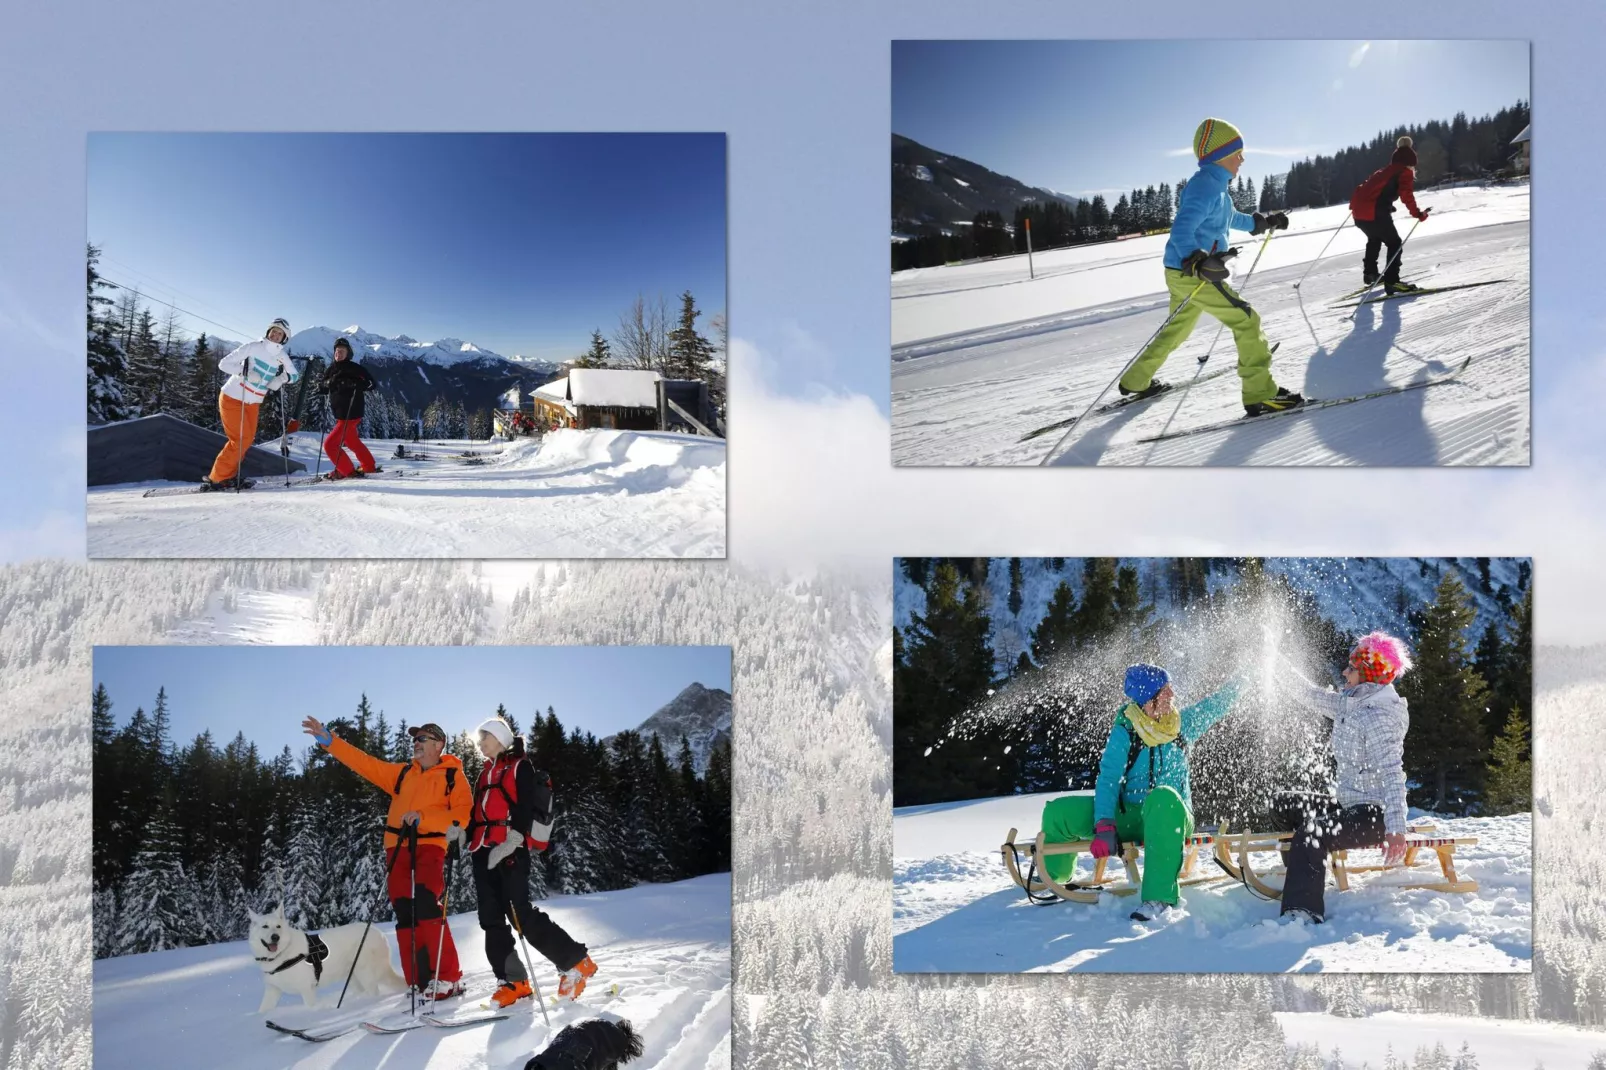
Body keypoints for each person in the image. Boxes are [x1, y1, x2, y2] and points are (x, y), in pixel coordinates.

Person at [1117, 118, 1303, 418]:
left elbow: (1232, 219)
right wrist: (1198, 260)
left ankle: (1136, 381)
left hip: (1179, 272)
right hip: (1194, 273)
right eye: (1237, 153)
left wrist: (1264, 222)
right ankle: (1260, 394)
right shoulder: (1205, 187)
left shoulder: (1216, 188)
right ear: (1220, 155)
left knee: (1176, 330)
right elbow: (1181, 229)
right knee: (1246, 320)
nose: (1242, 159)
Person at [300, 715, 471, 999]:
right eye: (414, 739)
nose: (415, 743)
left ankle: (448, 978)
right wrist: (329, 741)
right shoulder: (403, 773)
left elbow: (462, 816)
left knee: (428, 903)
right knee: (404, 909)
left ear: (439, 744)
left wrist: (424, 817)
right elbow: (365, 764)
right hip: (398, 846)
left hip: (430, 845)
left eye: (422, 738)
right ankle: (418, 981)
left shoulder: (453, 775)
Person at [1274, 632, 1412, 924]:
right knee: (1282, 804)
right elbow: (1309, 694)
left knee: (1311, 833)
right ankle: (1305, 872)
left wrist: (1396, 830)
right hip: (1349, 805)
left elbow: (1392, 773)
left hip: (1375, 815)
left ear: (1369, 676)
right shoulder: (1351, 703)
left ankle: (1303, 911)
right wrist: (1273, 657)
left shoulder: (1378, 715)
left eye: (1352, 668)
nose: (1345, 672)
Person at [1091, 664, 1244, 921]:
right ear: (1148, 700)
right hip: (1135, 816)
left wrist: (1245, 677)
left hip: (1174, 817)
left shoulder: (1181, 726)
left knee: (1162, 797)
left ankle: (1158, 897)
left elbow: (1216, 704)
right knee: (1062, 811)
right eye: (1165, 691)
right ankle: (1051, 875)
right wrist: (1104, 824)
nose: (1172, 694)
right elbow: (1108, 780)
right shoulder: (1125, 732)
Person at [468, 717, 597, 1007]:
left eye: (484, 738)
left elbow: (524, 805)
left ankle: (576, 963)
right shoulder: (483, 773)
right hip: (482, 851)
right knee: (490, 919)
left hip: (510, 847)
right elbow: (476, 813)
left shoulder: (519, 767)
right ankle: (513, 982)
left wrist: (513, 840)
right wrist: (462, 835)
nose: (479, 744)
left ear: (500, 738)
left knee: (519, 913)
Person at [204, 317, 301, 489]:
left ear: (284, 338)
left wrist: (280, 379)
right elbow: (223, 364)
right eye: (274, 331)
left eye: (280, 333)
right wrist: (245, 372)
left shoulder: (281, 356)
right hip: (233, 397)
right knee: (239, 440)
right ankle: (218, 477)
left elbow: (294, 375)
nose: (276, 335)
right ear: (268, 332)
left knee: (246, 440)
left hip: (253, 403)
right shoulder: (253, 347)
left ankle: (229, 476)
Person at [1349, 136, 1431, 295]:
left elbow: (1364, 187)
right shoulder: (1404, 171)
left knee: (1374, 238)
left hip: (1359, 213)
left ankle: (1371, 274)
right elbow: (1406, 195)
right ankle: (1392, 281)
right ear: (1411, 161)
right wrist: (1418, 214)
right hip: (1374, 212)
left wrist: (1356, 206)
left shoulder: (1384, 171)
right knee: (1395, 243)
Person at [320, 337, 379, 479]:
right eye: (337, 351)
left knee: (330, 445)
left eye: (342, 351)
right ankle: (369, 466)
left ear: (348, 353)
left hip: (351, 413)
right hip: (340, 414)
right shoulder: (331, 369)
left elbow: (372, 384)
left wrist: (355, 384)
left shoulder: (355, 368)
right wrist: (328, 383)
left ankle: (346, 471)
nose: (338, 353)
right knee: (351, 441)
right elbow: (321, 387)